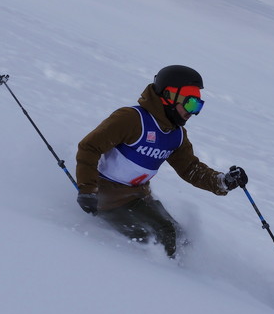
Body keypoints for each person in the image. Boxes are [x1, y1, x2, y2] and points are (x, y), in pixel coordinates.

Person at [75, 65, 247, 258]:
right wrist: (87, 190)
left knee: (181, 238)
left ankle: (185, 278)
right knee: (159, 238)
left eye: (198, 106)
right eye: (191, 104)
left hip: (139, 197)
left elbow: (190, 168)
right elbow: (89, 147)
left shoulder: (176, 134)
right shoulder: (132, 119)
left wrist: (223, 181)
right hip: (107, 198)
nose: (193, 112)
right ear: (169, 96)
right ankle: (159, 279)